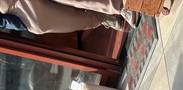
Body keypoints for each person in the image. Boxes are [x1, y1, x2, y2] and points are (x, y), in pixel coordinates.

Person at [0, 0, 158, 35]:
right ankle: (103, 16)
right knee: (73, 21)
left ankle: (120, 5)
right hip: (16, 9)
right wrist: (20, 24)